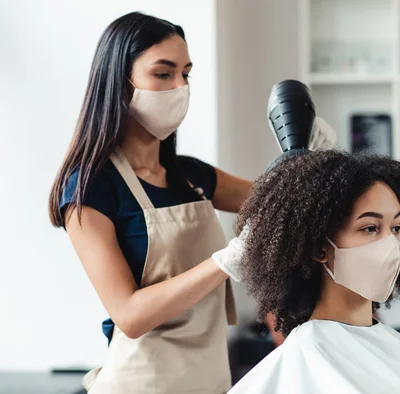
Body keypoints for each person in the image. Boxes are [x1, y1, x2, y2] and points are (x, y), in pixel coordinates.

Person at [48, 12, 333, 394]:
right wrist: (225, 262)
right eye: (163, 74)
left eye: (186, 74)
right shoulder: (89, 189)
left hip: (210, 382)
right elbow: (130, 315)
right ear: (120, 82)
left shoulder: (190, 176)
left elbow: (282, 203)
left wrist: (312, 161)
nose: (180, 86)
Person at [228, 151, 400, 393]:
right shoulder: (308, 357)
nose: (390, 245)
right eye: (370, 228)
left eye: (396, 228)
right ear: (320, 247)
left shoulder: (382, 342)